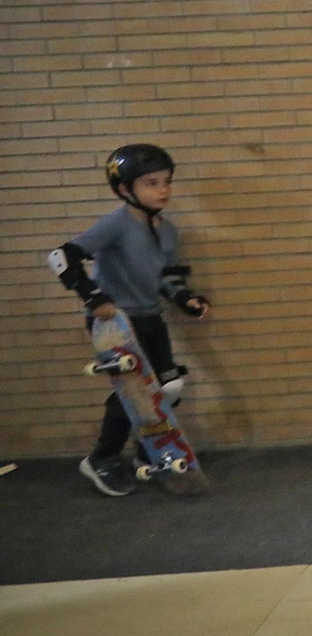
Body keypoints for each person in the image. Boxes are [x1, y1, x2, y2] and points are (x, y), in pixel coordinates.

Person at [47, 144, 211, 495]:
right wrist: (94, 297)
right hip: (115, 324)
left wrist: (187, 299)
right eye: (151, 183)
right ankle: (101, 459)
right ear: (124, 189)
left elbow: (166, 277)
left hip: (151, 317)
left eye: (166, 182)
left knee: (169, 388)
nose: (163, 190)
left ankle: (146, 454)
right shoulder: (116, 224)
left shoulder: (167, 231)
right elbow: (62, 257)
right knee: (132, 393)